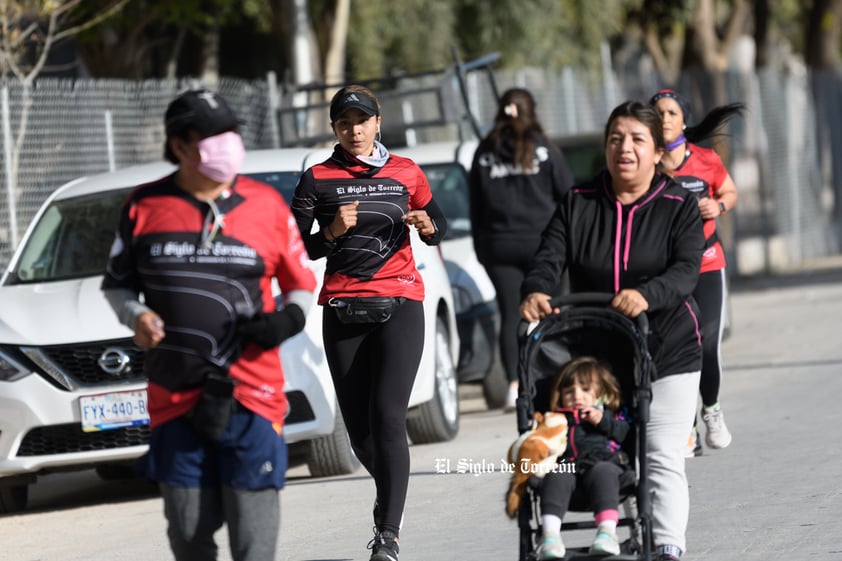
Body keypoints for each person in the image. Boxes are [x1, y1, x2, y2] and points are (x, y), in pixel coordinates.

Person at [101, 89, 317, 561]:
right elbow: (116, 287)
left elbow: (301, 282)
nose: (229, 144)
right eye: (215, 136)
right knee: (188, 537)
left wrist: (287, 320)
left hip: (254, 399)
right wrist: (136, 316)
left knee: (253, 546)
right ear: (180, 146)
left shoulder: (266, 205)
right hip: (175, 401)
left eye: (232, 132)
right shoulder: (143, 207)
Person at [520, 100, 704, 561]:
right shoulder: (578, 203)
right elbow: (549, 257)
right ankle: (600, 523)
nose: (625, 148)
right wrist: (536, 291)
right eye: (616, 138)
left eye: (638, 139)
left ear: (659, 151)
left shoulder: (678, 205)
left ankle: (667, 548)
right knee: (602, 449)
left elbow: (686, 270)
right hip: (602, 357)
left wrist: (648, 293)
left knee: (659, 452)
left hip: (668, 349)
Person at [291, 84, 447, 561]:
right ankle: (393, 497)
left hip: (400, 304)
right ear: (334, 129)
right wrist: (331, 233)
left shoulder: (406, 171)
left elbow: (439, 224)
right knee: (360, 434)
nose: (354, 130)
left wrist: (428, 227)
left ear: (378, 122)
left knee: (387, 416)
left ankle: (388, 534)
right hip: (343, 310)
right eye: (344, 123)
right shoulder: (317, 178)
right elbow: (296, 247)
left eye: (362, 120)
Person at [649, 89, 743, 457]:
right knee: (673, 345)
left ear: (683, 121)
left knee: (705, 342)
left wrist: (717, 205)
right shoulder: (648, 165)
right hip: (668, 270)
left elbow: (731, 192)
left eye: (672, 112)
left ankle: (712, 411)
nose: (665, 119)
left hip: (706, 263)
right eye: (658, 113)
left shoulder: (705, 160)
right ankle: (686, 427)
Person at [468, 88, 574, 412]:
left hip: (499, 247)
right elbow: (568, 196)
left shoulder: (484, 151)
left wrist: (483, 249)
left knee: (513, 314)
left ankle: (516, 385)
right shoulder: (546, 150)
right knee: (552, 310)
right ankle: (557, 378)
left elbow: (476, 205)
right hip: (544, 244)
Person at [536, 356, 631, 559]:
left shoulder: (609, 413)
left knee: (602, 472)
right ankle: (550, 536)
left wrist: (603, 420)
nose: (577, 396)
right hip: (569, 468)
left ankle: (607, 533)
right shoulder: (556, 419)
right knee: (557, 474)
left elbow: (625, 433)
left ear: (601, 392)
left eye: (585, 390)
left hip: (604, 464)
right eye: (569, 391)